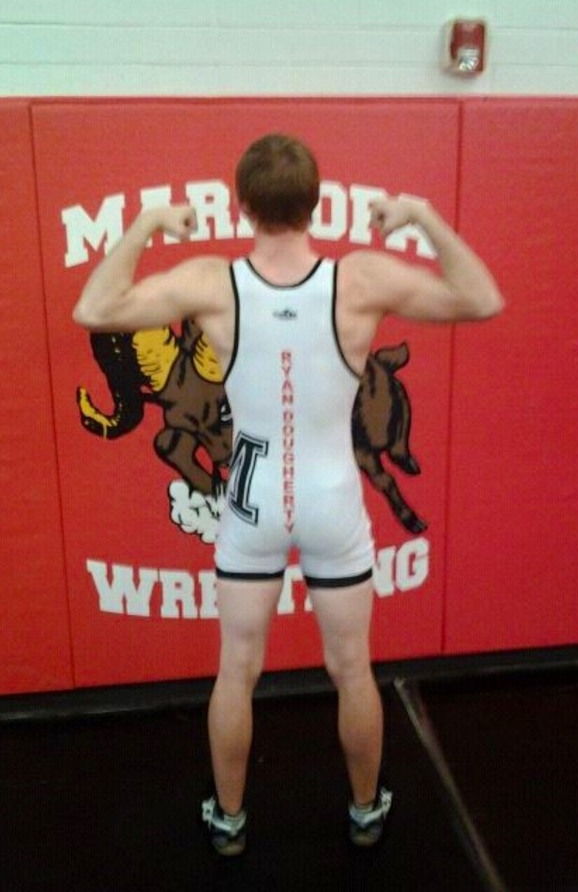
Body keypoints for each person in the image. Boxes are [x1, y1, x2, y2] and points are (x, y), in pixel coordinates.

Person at [73, 133, 503, 856]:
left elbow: (95, 307)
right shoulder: (359, 281)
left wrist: (146, 226)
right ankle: (366, 810)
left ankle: (229, 821)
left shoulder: (213, 284)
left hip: (254, 501)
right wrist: (423, 217)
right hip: (332, 498)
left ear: (243, 205)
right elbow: (481, 296)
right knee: (351, 668)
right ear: (315, 204)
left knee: (237, 669)